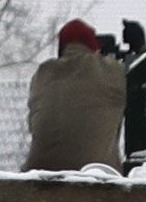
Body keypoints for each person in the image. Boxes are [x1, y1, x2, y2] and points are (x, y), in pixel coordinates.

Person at [23, 20, 125, 172]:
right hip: (95, 176)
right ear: (92, 45)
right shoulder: (111, 72)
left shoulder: (42, 74)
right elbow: (145, 84)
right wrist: (141, 49)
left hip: (39, 173)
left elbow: (32, 124)